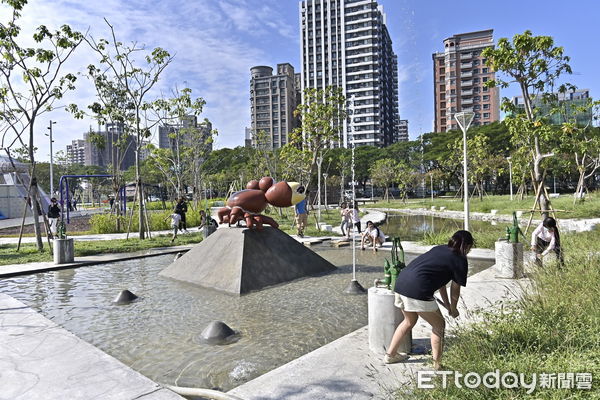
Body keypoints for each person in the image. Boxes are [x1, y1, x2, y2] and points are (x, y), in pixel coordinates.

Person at [385, 230, 474, 370]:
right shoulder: (460, 260)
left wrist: (448, 305)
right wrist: (454, 308)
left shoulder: (439, 248)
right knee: (439, 325)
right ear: (468, 246)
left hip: (401, 284)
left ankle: (390, 355)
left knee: (409, 321)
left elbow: (441, 283)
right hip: (418, 289)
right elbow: (455, 289)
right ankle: (437, 365)